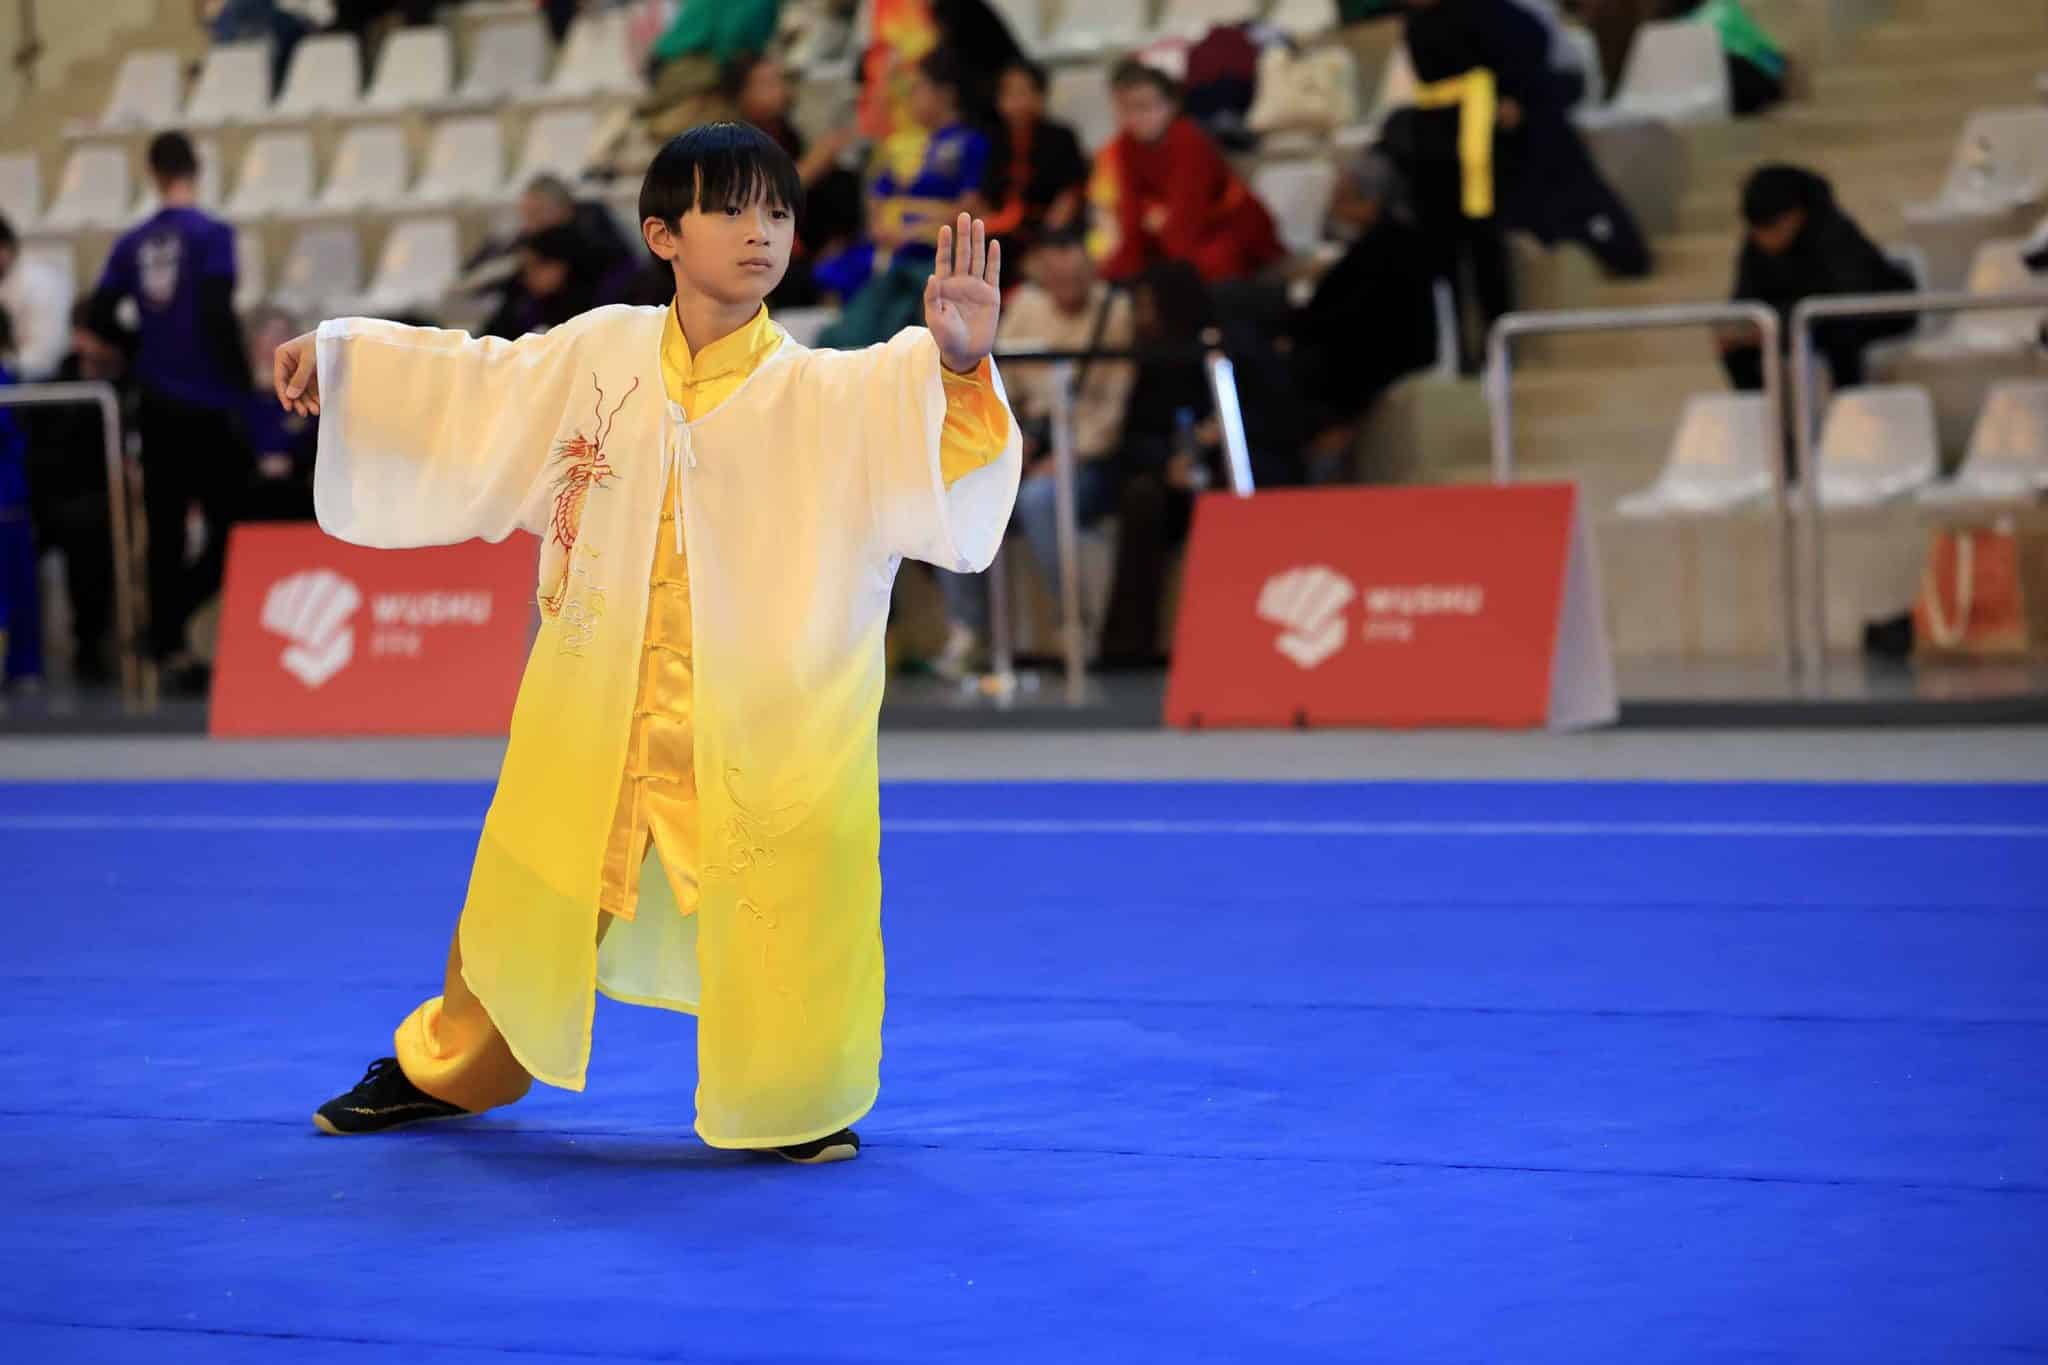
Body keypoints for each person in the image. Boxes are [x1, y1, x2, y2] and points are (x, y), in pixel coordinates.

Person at [281, 123, 1022, 1162]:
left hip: (760, 717)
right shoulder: (599, 352)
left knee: (786, 898)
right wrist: (345, 361)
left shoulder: (825, 391)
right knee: (530, 883)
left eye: (777, 213)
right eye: (731, 210)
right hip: (599, 700)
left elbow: (933, 440)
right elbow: (481, 382)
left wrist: (960, 364)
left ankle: (789, 1099)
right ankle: (446, 1068)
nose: (760, 233)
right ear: (663, 234)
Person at [1398, 0, 1649, 366]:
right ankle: (1455, 352)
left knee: (1486, 251)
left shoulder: (1487, 14)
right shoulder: (1417, 25)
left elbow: (1531, 46)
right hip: (1440, 149)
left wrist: (1508, 97)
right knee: (1445, 257)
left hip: (1488, 147)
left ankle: (1497, 344)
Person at [933, 227, 1134, 677]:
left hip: (1090, 455)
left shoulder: (1114, 311)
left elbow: (1113, 407)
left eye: (1075, 279)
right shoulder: (1025, 306)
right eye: (1056, 280)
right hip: (1026, 441)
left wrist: (1068, 455)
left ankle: (1074, 625)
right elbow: (998, 382)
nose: (1066, 289)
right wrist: (1011, 443)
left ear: (1091, 271)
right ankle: (969, 631)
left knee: (1041, 500)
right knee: (957, 492)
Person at [88, 132, 248, 692]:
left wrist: (139, 350)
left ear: (153, 174)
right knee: (232, 525)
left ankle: (168, 639)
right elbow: (218, 314)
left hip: (156, 404)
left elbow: (99, 313)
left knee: (165, 530)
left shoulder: (132, 243)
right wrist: (242, 386)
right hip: (209, 403)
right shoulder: (212, 235)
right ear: (196, 169)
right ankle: (169, 629)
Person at [1098, 261, 1303, 666]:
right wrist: (1167, 463)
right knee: (1141, 496)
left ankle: (1244, 640)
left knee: (1241, 487)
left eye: (1148, 306)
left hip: (1241, 468)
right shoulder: (1156, 358)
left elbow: (1283, 420)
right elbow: (1135, 437)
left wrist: (1222, 435)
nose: (1142, 318)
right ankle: (1126, 650)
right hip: (1177, 480)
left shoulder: (1238, 348)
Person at [817, 50, 990, 349]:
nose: (910, 97)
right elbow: (878, 196)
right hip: (888, 251)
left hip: (933, 252)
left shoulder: (969, 143)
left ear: (945, 93)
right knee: (832, 276)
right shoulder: (901, 144)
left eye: (918, 88)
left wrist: (911, 232)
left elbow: (970, 206)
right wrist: (880, 227)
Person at [1292, 146, 1441, 471]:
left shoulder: (1387, 249)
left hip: (1377, 361)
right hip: (1366, 353)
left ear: (1370, 202)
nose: (1333, 207)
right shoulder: (1381, 243)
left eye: (1343, 198)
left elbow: (1352, 319)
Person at [1720, 164, 1914, 399]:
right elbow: (1745, 300)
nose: (1765, 239)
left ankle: (1849, 406)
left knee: (1841, 335)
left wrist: (1777, 323)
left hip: (1867, 315)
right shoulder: (1756, 245)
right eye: (1758, 231)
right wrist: (1738, 328)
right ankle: (1762, 412)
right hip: (1799, 322)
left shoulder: (1834, 233)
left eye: (1772, 229)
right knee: (1737, 348)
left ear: (1795, 216)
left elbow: (1844, 302)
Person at [1089, 60, 1284, 286]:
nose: (1137, 117)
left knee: (1210, 264)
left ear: (1171, 106)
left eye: (1146, 107)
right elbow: (1130, 211)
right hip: (1170, 229)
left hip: (1223, 226)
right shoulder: (1124, 145)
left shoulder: (1189, 141)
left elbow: (1187, 217)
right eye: (1127, 109)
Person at [26, 301, 130, 684]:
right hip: (46, 500)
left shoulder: (128, 387)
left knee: (89, 537)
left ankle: (91, 650)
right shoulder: (55, 386)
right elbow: (38, 454)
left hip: (101, 503)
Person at [976, 59, 1088, 261]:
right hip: (1001, 227)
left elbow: (1071, 191)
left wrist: (1052, 228)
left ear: (1040, 95)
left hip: (1045, 226)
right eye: (1008, 93)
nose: (1015, 101)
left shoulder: (1061, 137)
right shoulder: (992, 139)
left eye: (1022, 92)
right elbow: (984, 194)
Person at [0, 308, 39, 689]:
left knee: (16, 587)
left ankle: (24, 666)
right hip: (10, 497)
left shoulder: (8, 379)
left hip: (7, 501)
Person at [481, 223, 606, 339]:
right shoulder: (522, 299)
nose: (528, 275)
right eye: (526, 267)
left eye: (535, 266)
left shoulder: (588, 313)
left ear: (559, 268)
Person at [0, 214, 72, 381]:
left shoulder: (40, 283)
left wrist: (7, 369)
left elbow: (44, 357)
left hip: (36, 383)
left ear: (5, 247)